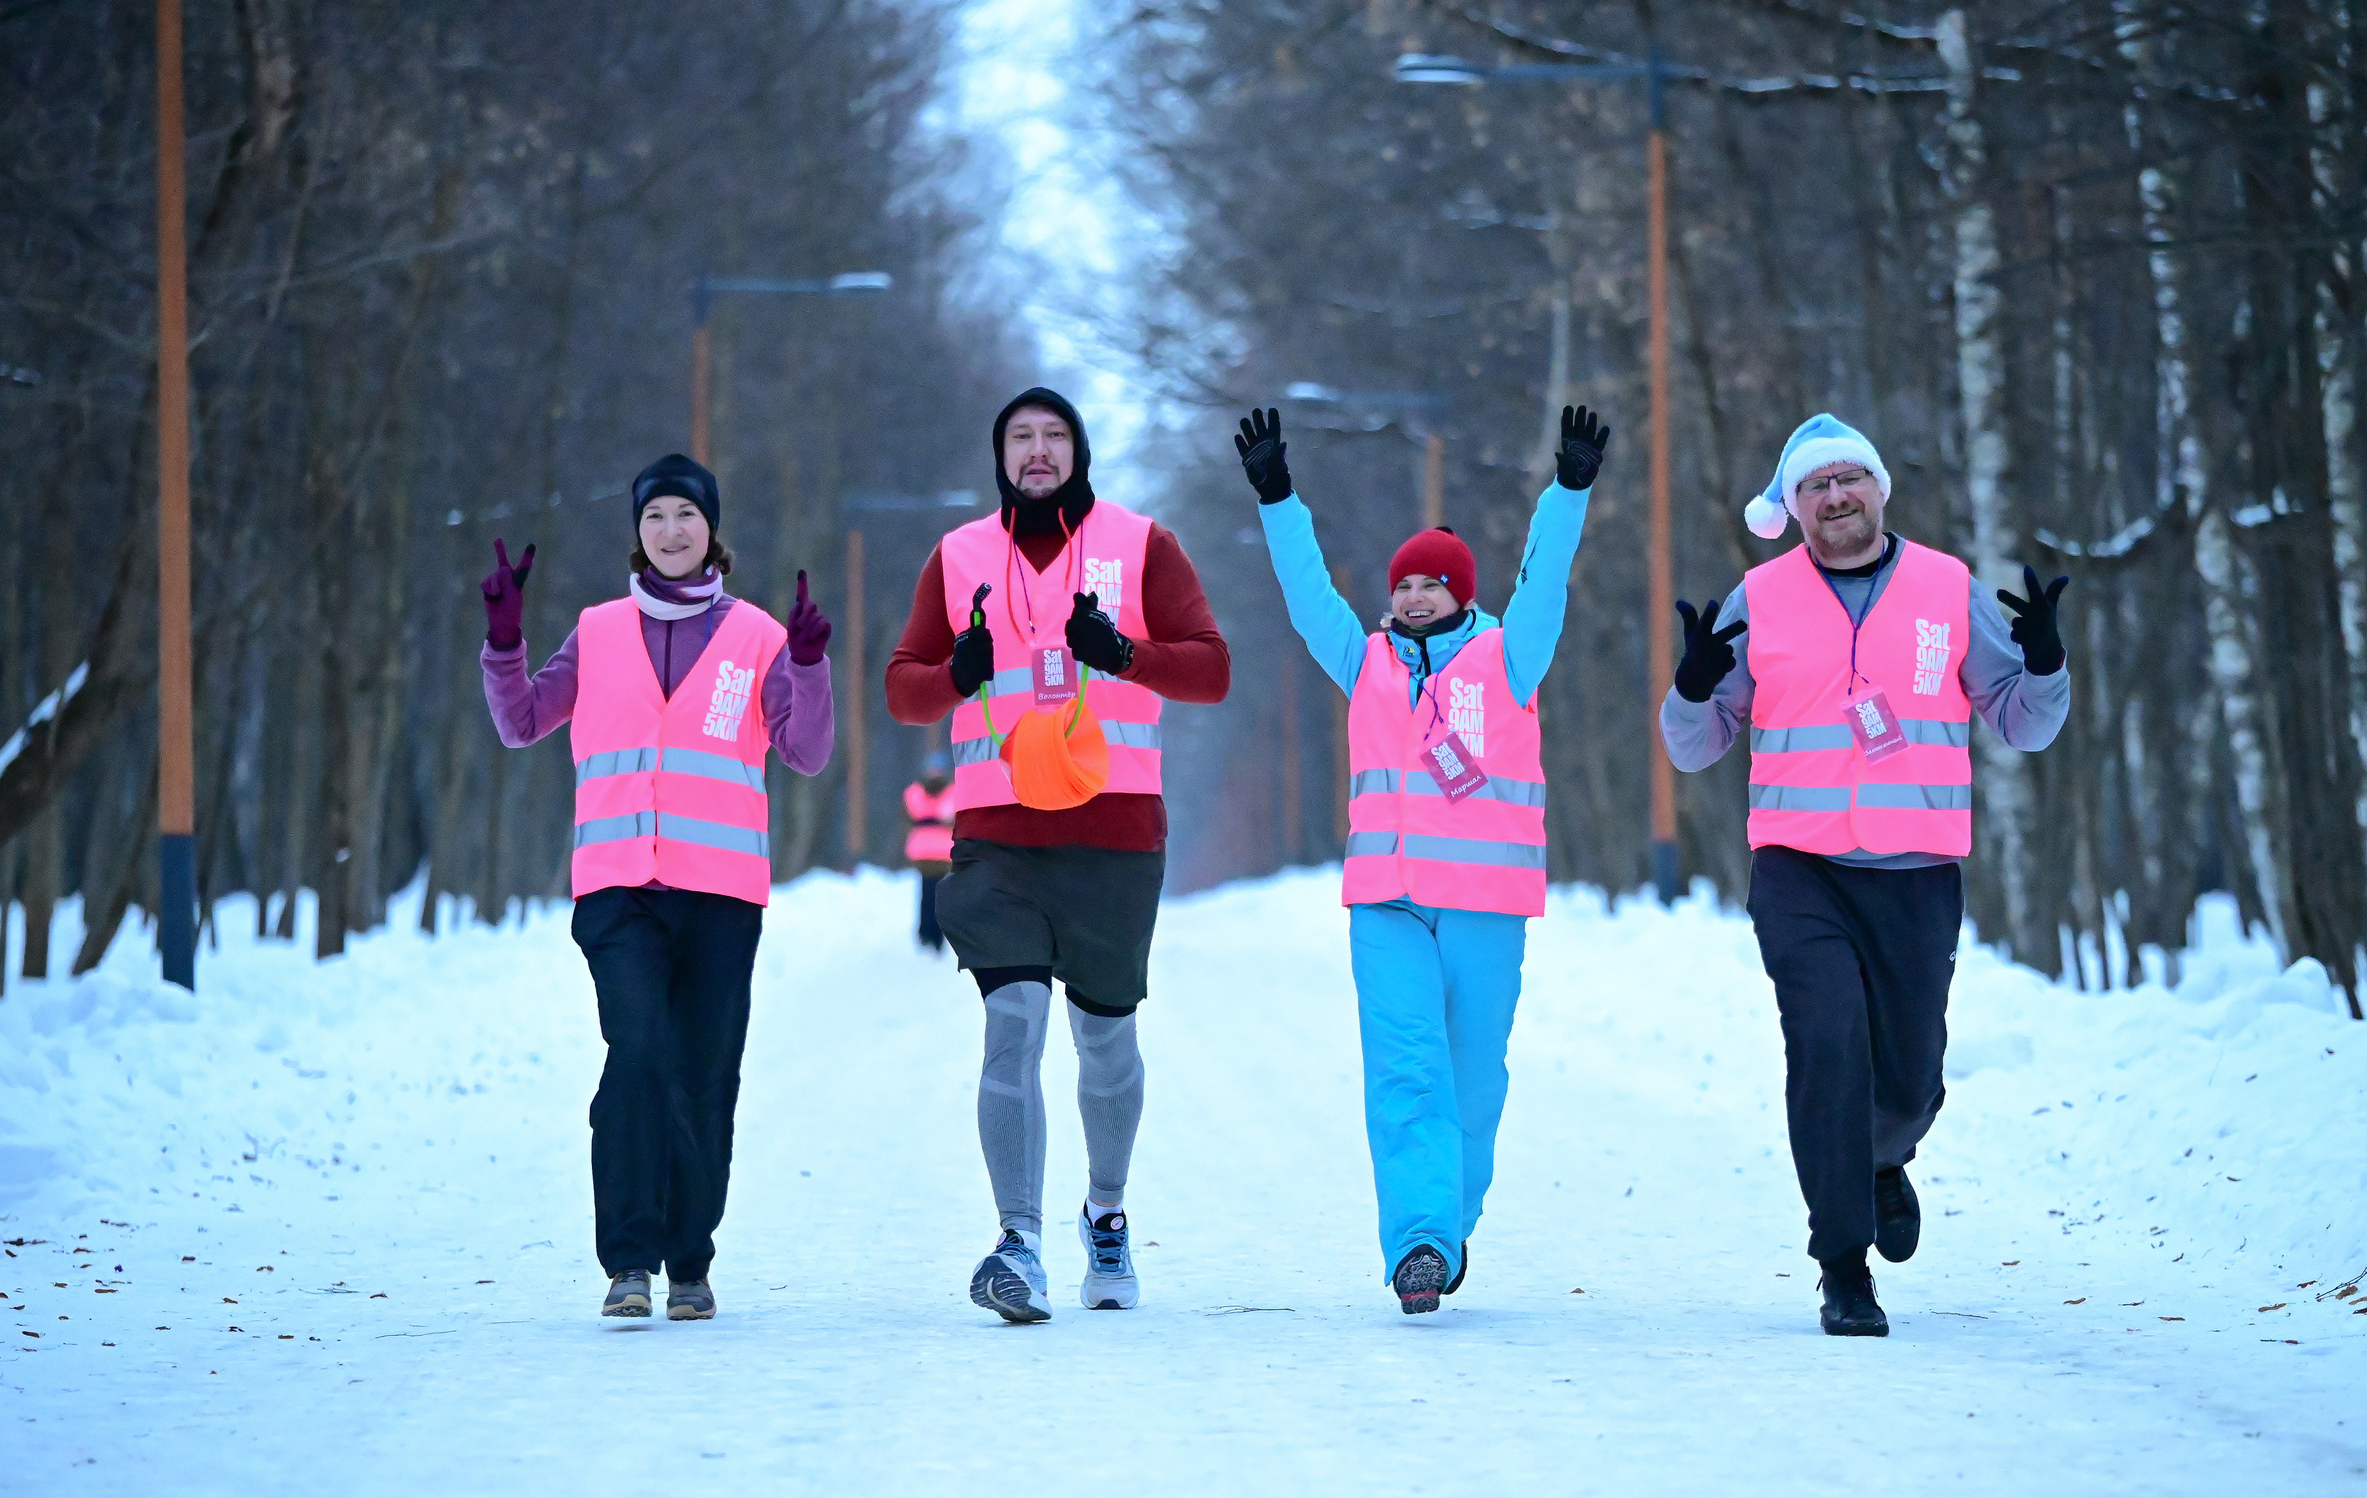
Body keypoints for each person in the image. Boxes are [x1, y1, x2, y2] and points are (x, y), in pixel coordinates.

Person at [1662, 413, 2070, 1337]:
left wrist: (2043, 665)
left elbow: (2020, 721)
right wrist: (1690, 689)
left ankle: (1885, 1160)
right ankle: (1842, 1265)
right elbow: (1694, 748)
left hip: (1917, 870)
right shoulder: (1757, 598)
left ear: (1881, 489)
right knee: (1827, 1046)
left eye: (1851, 479)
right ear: (1794, 505)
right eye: (1816, 485)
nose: (1837, 497)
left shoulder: (1944, 586)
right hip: (1800, 866)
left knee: (1911, 1075)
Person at [1238, 402, 1607, 1314]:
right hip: (1388, 906)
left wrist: (1567, 490)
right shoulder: (1362, 663)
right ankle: (1419, 1245)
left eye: (1432, 586)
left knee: (1473, 1083)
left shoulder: (1508, 660)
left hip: (1486, 907)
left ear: (1462, 595)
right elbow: (1307, 597)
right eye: (1405, 585)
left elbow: (1546, 585)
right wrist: (1279, 499)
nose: (1414, 597)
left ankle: (1450, 1220)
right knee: (1406, 1070)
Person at [885, 388, 1230, 1321]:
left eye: (1053, 437)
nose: (1037, 453)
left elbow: (1212, 668)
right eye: (1019, 439)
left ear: (1079, 450)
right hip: (998, 835)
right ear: (999, 456)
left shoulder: (1141, 544)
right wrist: (960, 669)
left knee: (1105, 1040)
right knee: (1014, 1025)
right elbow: (904, 692)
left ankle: (1106, 1214)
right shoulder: (959, 557)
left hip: (1115, 832)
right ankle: (1019, 1240)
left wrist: (1122, 653)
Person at [480, 452, 834, 1323]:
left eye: (686, 514)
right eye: (654, 517)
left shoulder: (756, 636)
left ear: (712, 529)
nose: (671, 531)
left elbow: (808, 751)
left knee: (703, 1074)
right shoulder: (597, 632)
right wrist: (502, 642)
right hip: (618, 891)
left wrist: (812, 665)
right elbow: (522, 720)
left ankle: (691, 1260)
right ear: (636, 534)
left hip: (721, 895)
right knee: (637, 1055)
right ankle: (628, 1261)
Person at [902, 754, 957, 952]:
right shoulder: (953, 792)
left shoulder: (914, 792)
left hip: (922, 851)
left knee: (926, 894)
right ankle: (937, 936)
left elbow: (907, 818)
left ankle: (925, 934)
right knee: (940, 895)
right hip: (944, 851)